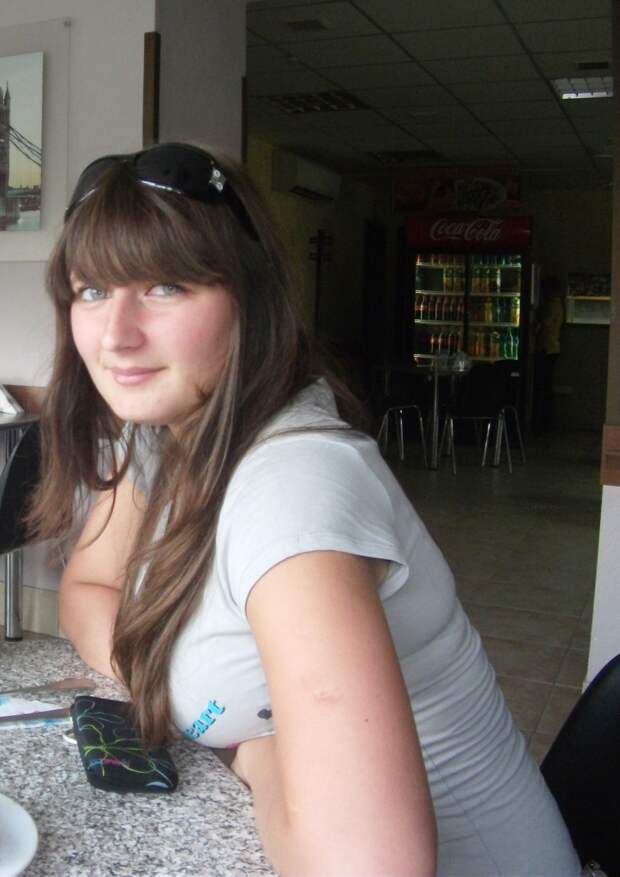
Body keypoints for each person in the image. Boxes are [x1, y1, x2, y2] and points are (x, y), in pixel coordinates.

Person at [29, 143, 581, 877]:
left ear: (251, 299)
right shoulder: (168, 431)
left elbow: (372, 867)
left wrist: (252, 749)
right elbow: (88, 588)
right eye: (93, 290)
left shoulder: (293, 483)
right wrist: (169, 688)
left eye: (165, 286)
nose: (115, 335)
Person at [533, 275, 565, 435]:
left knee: (543, 386)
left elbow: (545, 323)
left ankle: (543, 422)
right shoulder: (558, 305)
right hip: (552, 348)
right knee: (545, 386)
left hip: (547, 348)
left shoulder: (553, 306)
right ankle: (544, 422)